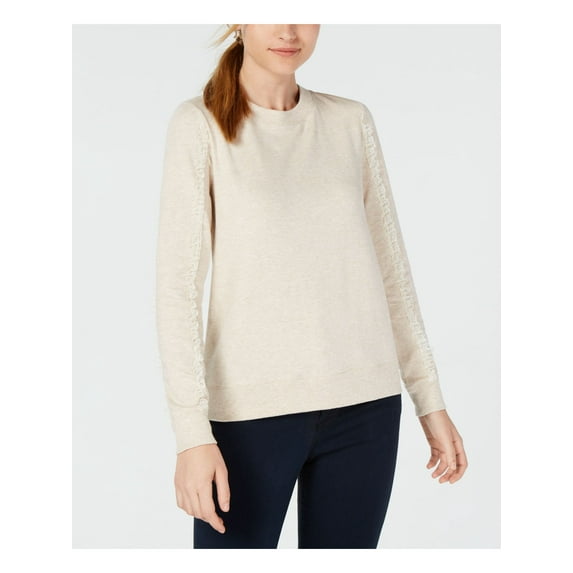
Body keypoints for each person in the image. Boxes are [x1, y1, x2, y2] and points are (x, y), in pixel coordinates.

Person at [155, 24, 468, 549]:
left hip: (366, 408)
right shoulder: (199, 125)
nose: (289, 30)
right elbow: (177, 291)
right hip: (250, 415)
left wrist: (429, 400)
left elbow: (391, 272)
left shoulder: (350, 122)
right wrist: (191, 436)